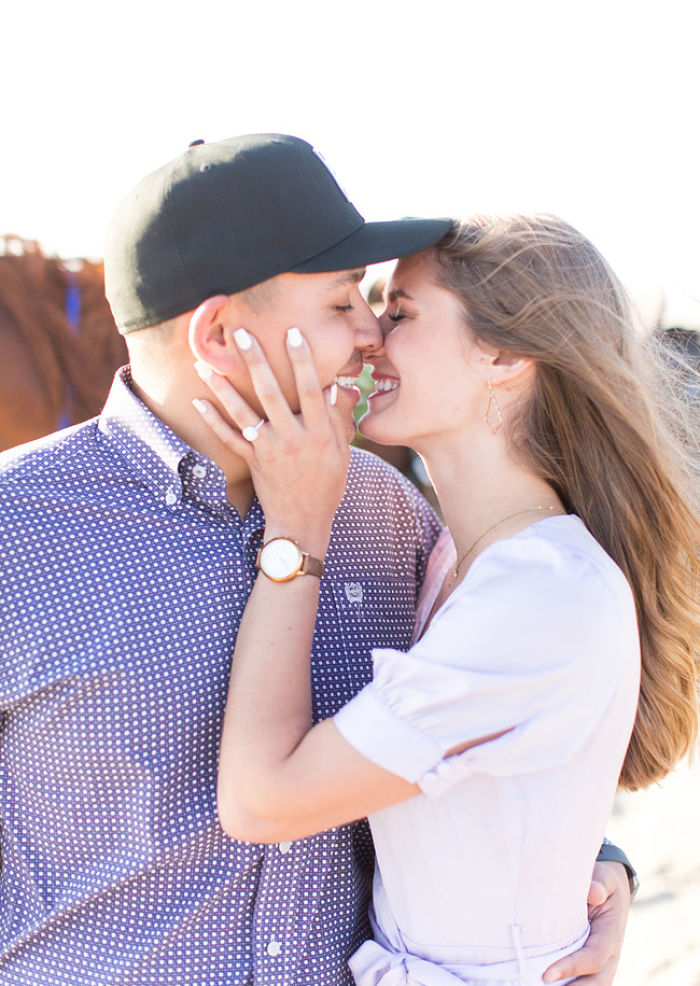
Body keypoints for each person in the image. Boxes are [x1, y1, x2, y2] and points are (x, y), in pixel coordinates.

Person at [0, 138, 632, 986]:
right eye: (344, 304)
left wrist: (593, 863)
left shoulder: (390, 518)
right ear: (221, 335)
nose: (372, 332)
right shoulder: (20, 530)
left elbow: (478, 730)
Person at [194, 213, 699, 985]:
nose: (369, 336)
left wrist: (295, 527)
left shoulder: (539, 598)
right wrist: (602, 863)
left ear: (501, 354)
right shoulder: (456, 557)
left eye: (400, 313)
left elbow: (264, 802)